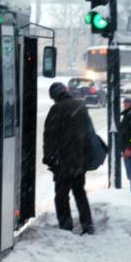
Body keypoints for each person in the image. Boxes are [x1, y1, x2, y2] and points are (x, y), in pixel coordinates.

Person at [43, 82, 94, 234]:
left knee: (61, 196)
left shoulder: (56, 109)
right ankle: (88, 225)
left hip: (63, 161)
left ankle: (66, 227)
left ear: (54, 96)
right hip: (80, 160)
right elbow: (89, 133)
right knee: (80, 193)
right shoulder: (80, 106)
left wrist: (49, 157)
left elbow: (49, 137)